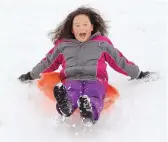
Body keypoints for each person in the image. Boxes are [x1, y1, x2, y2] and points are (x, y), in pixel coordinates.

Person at [18, 6, 150, 124]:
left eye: (85, 24)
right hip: (71, 79)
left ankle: (89, 110)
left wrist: (137, 73)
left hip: (96, 79)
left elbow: (119, 61)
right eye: (77, 25)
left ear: (92, 27)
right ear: (72, 29)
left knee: (94, 93)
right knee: (71, 90)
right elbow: (47, 62)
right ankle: (66, 105)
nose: (82, 28)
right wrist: (31, 74)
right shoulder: (63, 46)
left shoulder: (101, 44)